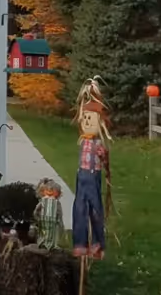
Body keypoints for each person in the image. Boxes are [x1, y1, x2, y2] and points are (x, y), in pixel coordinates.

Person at [72, 77, 111, 259]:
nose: (87, 121)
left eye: (91, 118)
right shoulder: (83, 141)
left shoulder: (98, 143)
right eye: (85, 117)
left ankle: (97, 243)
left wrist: (104, 157)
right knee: (80, 208)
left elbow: (105, 159)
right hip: (81, 176)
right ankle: (80, 243)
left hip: (93, 177)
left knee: (95, 209)